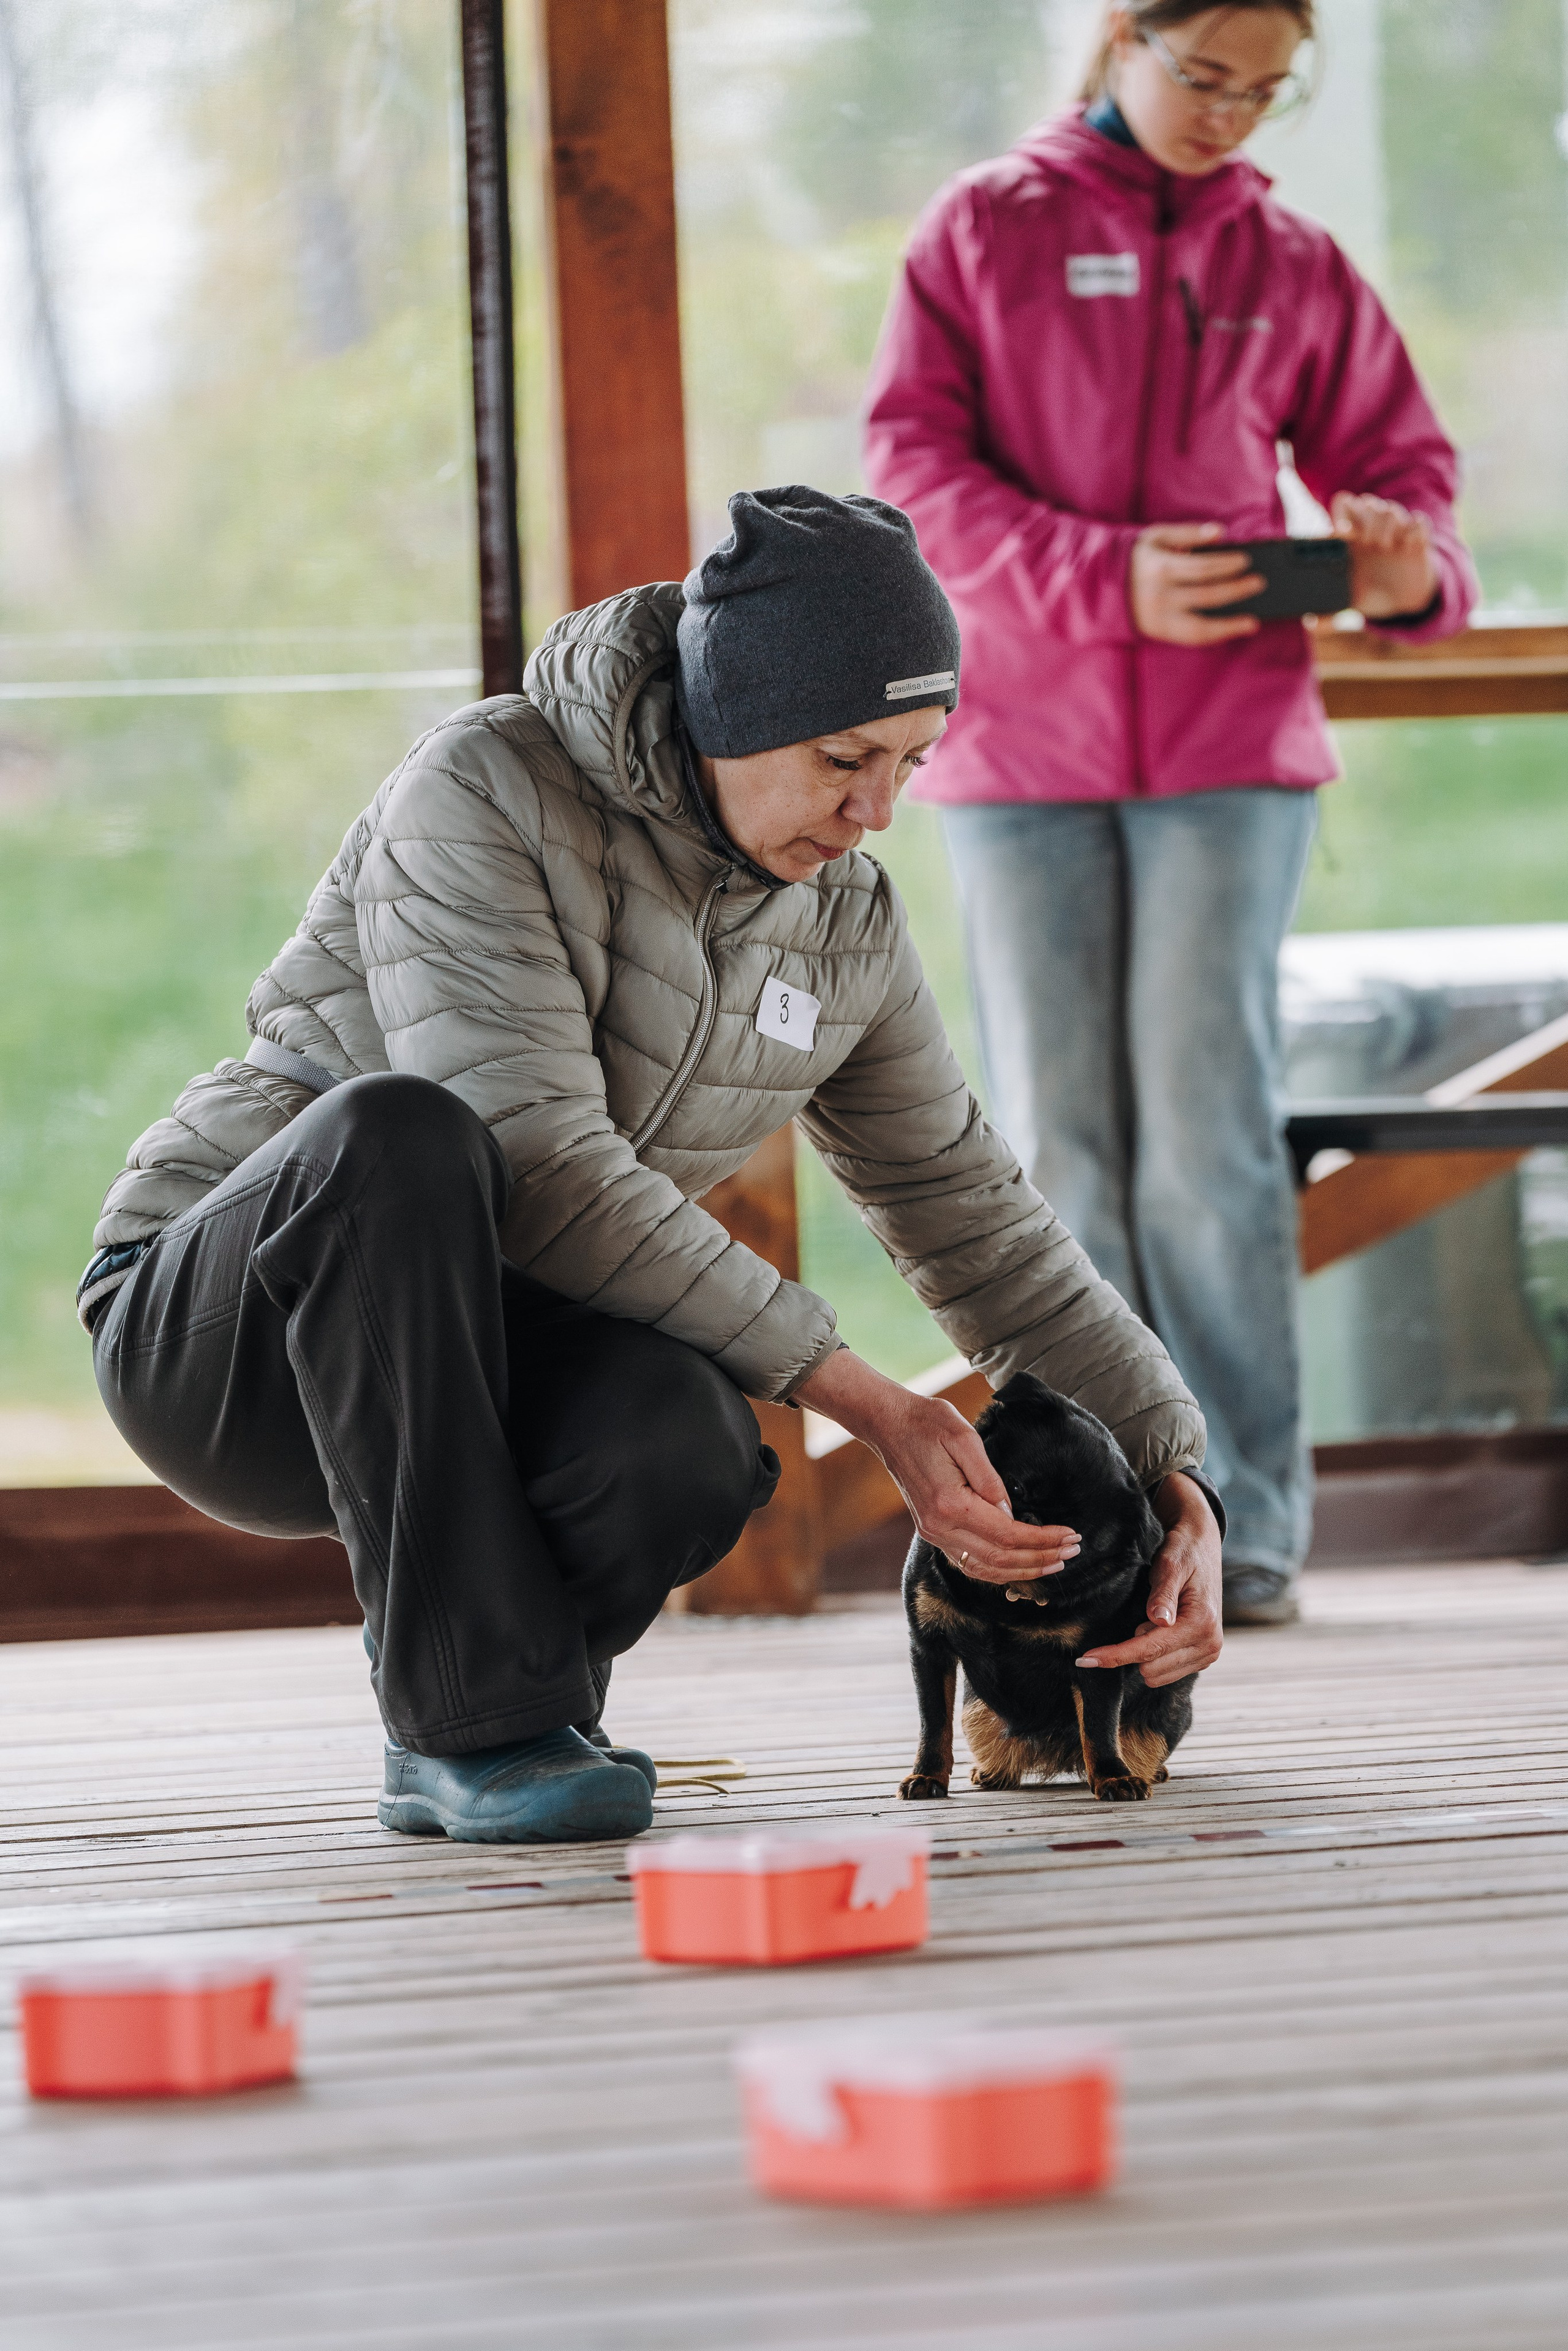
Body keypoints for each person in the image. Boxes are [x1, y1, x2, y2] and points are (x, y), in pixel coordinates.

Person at [78, 489, 1224, 1846]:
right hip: (235, 1331)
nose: (875, 811)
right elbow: (539, 1159)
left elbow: (975, 1217)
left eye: (911, 761)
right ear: (723, 714)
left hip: (493, 1356)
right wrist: (867, 1399)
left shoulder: (839, 920)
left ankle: (521, 1722)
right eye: (842, 755)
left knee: (684, 1439)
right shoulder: (484, 789)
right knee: (400, 1131)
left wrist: (1175, 1476)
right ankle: (472, 1729)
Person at [862, 0, 1477, 1626]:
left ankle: (1252, 1529)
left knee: (1210, 1143)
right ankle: (1086, 1521)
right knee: (1059, 1153)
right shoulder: (986, 229)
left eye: (1266, 91)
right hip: (1018, 752)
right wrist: (1109, 574)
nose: (1230, 115)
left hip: (1232, 754)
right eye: (1204, 75)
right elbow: (915, 470)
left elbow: (1408, 477)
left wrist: (1404, 567)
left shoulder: (1292, 260)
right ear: (1124, 37)